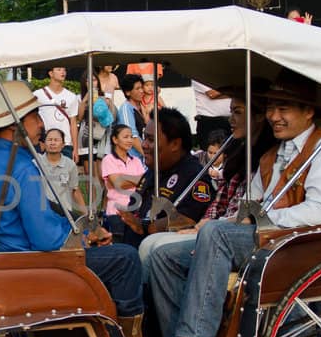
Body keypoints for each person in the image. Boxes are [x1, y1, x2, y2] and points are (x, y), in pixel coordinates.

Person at [151, 71, 321, 337]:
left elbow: (319, 211)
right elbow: (250, 204)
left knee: (217, 234)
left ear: (308, 112)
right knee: (164, 255)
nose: (274, 117)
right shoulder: (272, 155)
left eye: (283, 109)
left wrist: (258, 220)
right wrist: (238, 219)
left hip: (293, 243)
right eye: (271, 108)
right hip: (262, 239)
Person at [0, 81, 151, 337]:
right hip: (27, 264)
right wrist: (83, 237)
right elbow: (46, 238)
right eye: (35, 117)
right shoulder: (22, 166)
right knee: (126, 258)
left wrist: (83, 229)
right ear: (17, 125)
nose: (40, 124)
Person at [120, 108, 208, 255]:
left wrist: (146, 226)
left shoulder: (195, 176)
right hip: (132, 250)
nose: (144, 145)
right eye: (144, 138)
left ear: (175, 144)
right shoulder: (153, 171)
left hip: (164, 254)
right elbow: (133, 210)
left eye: (151, 140)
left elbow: (189, 219)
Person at [99, 124, 145, 239]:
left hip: (136, 211)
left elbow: (145, 182)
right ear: (115, 139)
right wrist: (137, 180)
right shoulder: (108, 160)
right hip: (116, 212)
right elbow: (118, 184)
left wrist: (123, 178)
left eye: (131, 137)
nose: (130, 140)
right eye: (125, 137)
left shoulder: (136, 160)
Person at [33, 67, 80, 158]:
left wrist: (75, 148)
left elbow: (73, 123)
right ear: (51, 73)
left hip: (65, 143)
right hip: (45, 143)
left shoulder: (71, 96)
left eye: (64, 70)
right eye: (59, 70)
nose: (63, 72)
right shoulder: (37, 95)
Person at [37, 128, 84, 214]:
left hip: (64, 213)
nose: (53, 143)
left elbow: (75, 190)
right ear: (44, 143)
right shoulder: (36, 162)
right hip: (42, 212)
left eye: (56, 140)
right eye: (49, 140)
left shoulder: (70, 165)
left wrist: (86, 214)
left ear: (63, 145)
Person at [189, 80, 231, 145]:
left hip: (231, 120)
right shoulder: (198, 74)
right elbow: (212, 94)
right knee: (211, 151)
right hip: (210, 122)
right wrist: (234, 92)